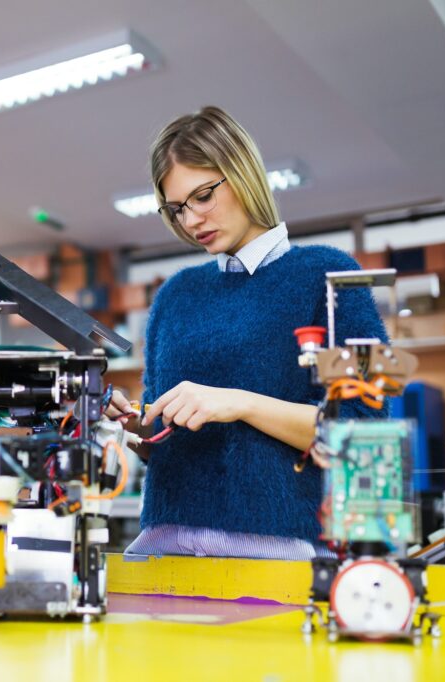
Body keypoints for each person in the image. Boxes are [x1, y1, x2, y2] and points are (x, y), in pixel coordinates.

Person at [107, 106, 388, 560]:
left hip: (279, 551)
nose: (192, 220)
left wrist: (240, 403)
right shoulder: (175, 296)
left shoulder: (330, 276)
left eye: (203, 196)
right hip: (166, 545)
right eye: (177, 209)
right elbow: (164, 439)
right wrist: (141, 430)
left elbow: (364, 431)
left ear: (243, 173)